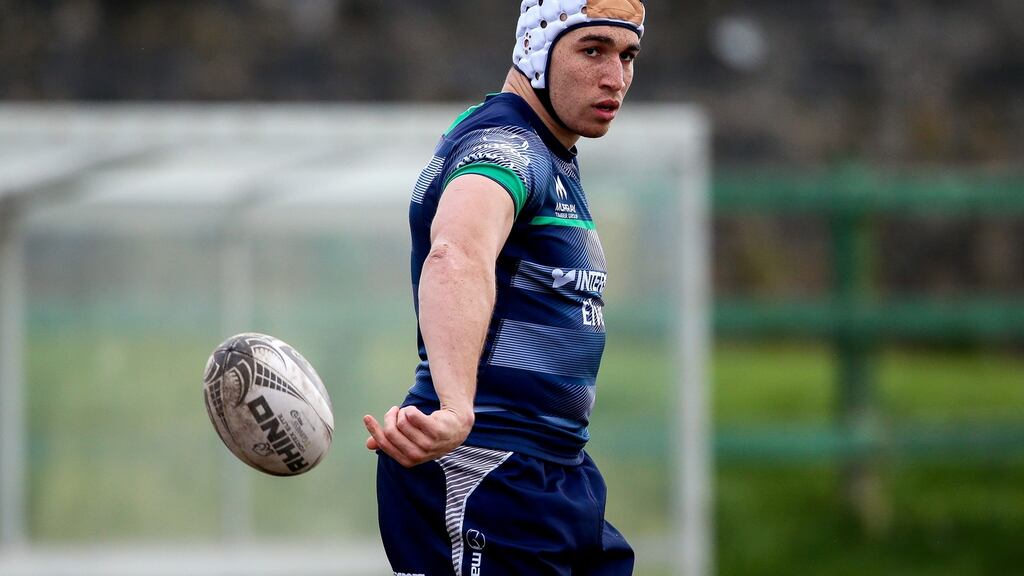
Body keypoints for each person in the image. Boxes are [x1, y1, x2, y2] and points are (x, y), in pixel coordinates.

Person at [363, 1, 645, 574]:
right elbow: (456, 253)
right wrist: (457, 409)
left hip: (556, 474)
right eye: (592, 50)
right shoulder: (506, 146)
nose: (614, 77)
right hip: (486, 467)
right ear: (536, 48)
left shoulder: (551, 152)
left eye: (627, 55)